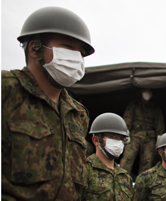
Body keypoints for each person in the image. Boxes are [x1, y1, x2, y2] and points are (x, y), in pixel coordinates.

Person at [2, 7, 94, 200]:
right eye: (67, 46)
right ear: (34, 48)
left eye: (81, 53)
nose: (76, 58)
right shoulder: (7, 91)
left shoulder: (78, 114)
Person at [82, 113, 134, 200]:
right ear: (96, 140)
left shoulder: (125, 177)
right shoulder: (84, 171)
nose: (119, 143)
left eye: (122, 139)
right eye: (115, 137)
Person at [120, 89, 165, 176]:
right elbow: (127, 118)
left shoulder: (154, 107)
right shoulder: (134, 105)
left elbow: (159, 122)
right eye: (145, 91)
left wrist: (159, 136)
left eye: (149, 92)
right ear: (140, 93)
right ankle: (122, 178)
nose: (147, 94)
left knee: (147, 160)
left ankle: (143, 181)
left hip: (149, 137)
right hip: (135, 135)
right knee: (128, 157)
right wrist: (126, 132)